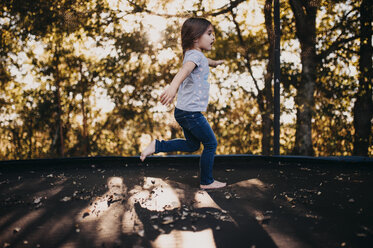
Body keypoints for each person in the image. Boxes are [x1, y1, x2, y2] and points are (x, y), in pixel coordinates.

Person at [140, 17, 226, 190]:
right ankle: (207, 181)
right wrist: (173, 87)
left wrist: (215, 63)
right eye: (209, 34)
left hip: (183, 111)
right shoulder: (193, 57)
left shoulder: (195, 55)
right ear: (195, 38)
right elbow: (184, 70)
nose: (213, 37)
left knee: (192, 145)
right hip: (191, 113)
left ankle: (157, 146)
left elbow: (203, 61)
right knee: (211, 143)